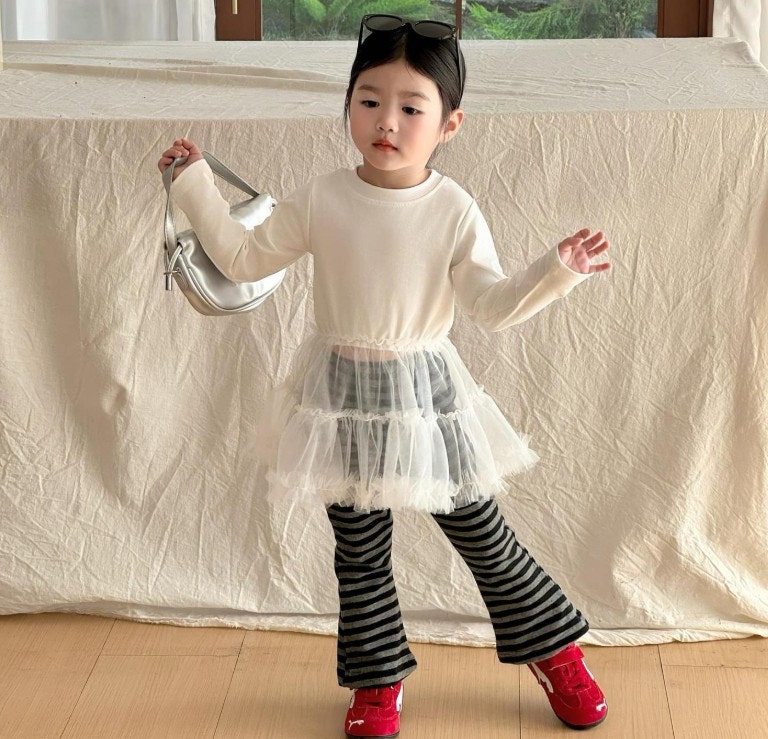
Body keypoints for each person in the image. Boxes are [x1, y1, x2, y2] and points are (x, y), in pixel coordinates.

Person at [158, 13, 611, 738]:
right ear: (347, 105)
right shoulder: (323, 197)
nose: (386, 121)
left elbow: (492, 307)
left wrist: (557, 271)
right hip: (340, 396)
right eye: (369, 100)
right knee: (360, 551)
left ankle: (556, 653)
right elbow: (242, 260)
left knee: (482, 534)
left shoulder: (453, 209)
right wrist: (194, 184)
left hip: (429, 397)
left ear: (449, 124)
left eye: (411, 107)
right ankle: (376, 682)